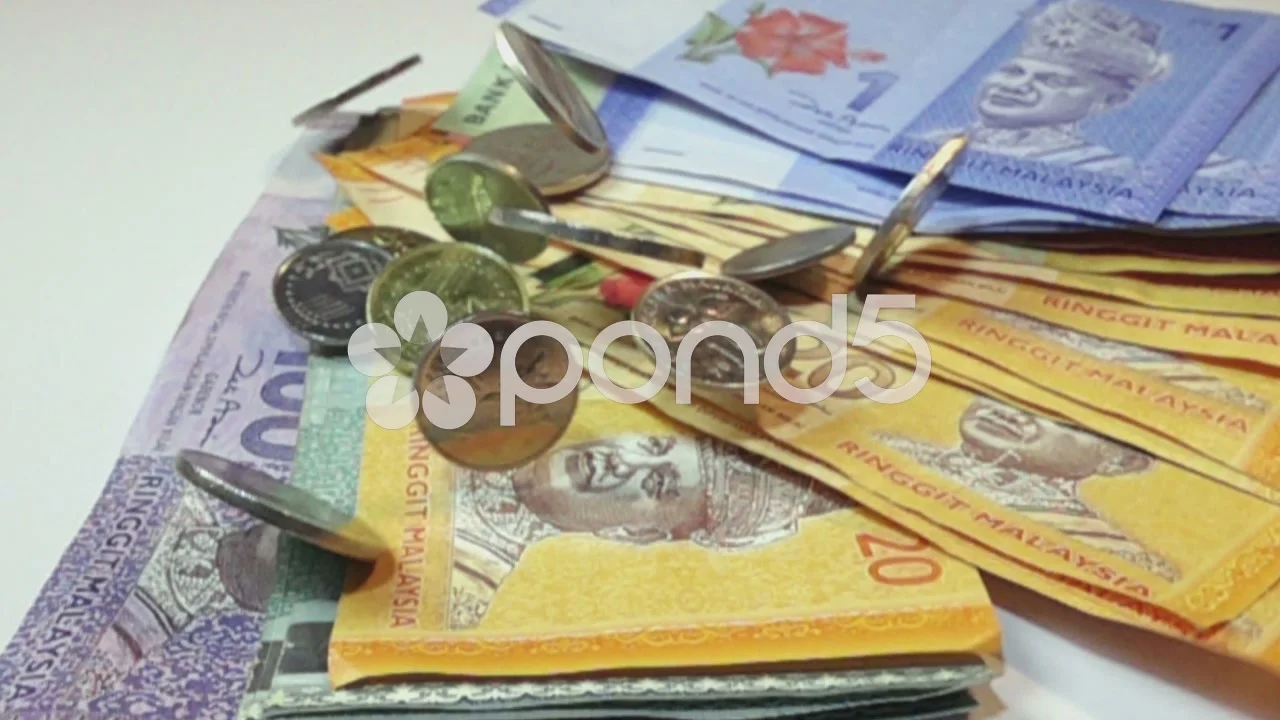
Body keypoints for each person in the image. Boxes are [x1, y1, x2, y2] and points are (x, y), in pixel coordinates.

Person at [447, 434, 847, 627]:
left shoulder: (460, 590)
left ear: (632, 534)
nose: (621, 463)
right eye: (652, 446)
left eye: (655, 485)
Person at [877, 396, 1179, 580]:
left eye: (1058, 416)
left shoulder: (1115, 555)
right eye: (1006, 388)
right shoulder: (885, 449)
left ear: (1119, 463)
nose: (1012, 412)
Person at [930, 0, 1172, 171]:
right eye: (1013, 71)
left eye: (1054, 81)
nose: (1018, 86)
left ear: (1111, 100)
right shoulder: (933, 141)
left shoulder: (1099, 168)